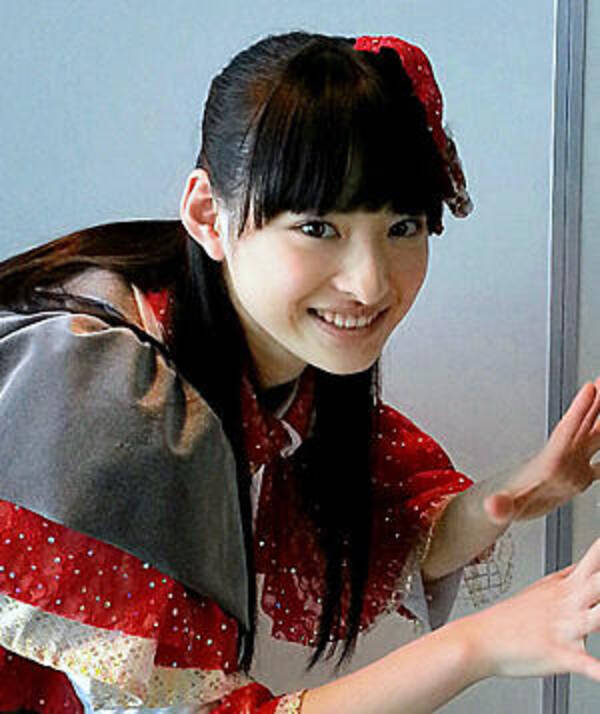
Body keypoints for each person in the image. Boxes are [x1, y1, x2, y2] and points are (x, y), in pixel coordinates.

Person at [0, 31, 599, 714]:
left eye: (403, 226)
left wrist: (514, 494)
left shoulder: (256, 348)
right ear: (207, 215)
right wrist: (479, 646)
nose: (370, 284)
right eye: (318, 228)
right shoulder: (111, 396)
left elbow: (375, 527)